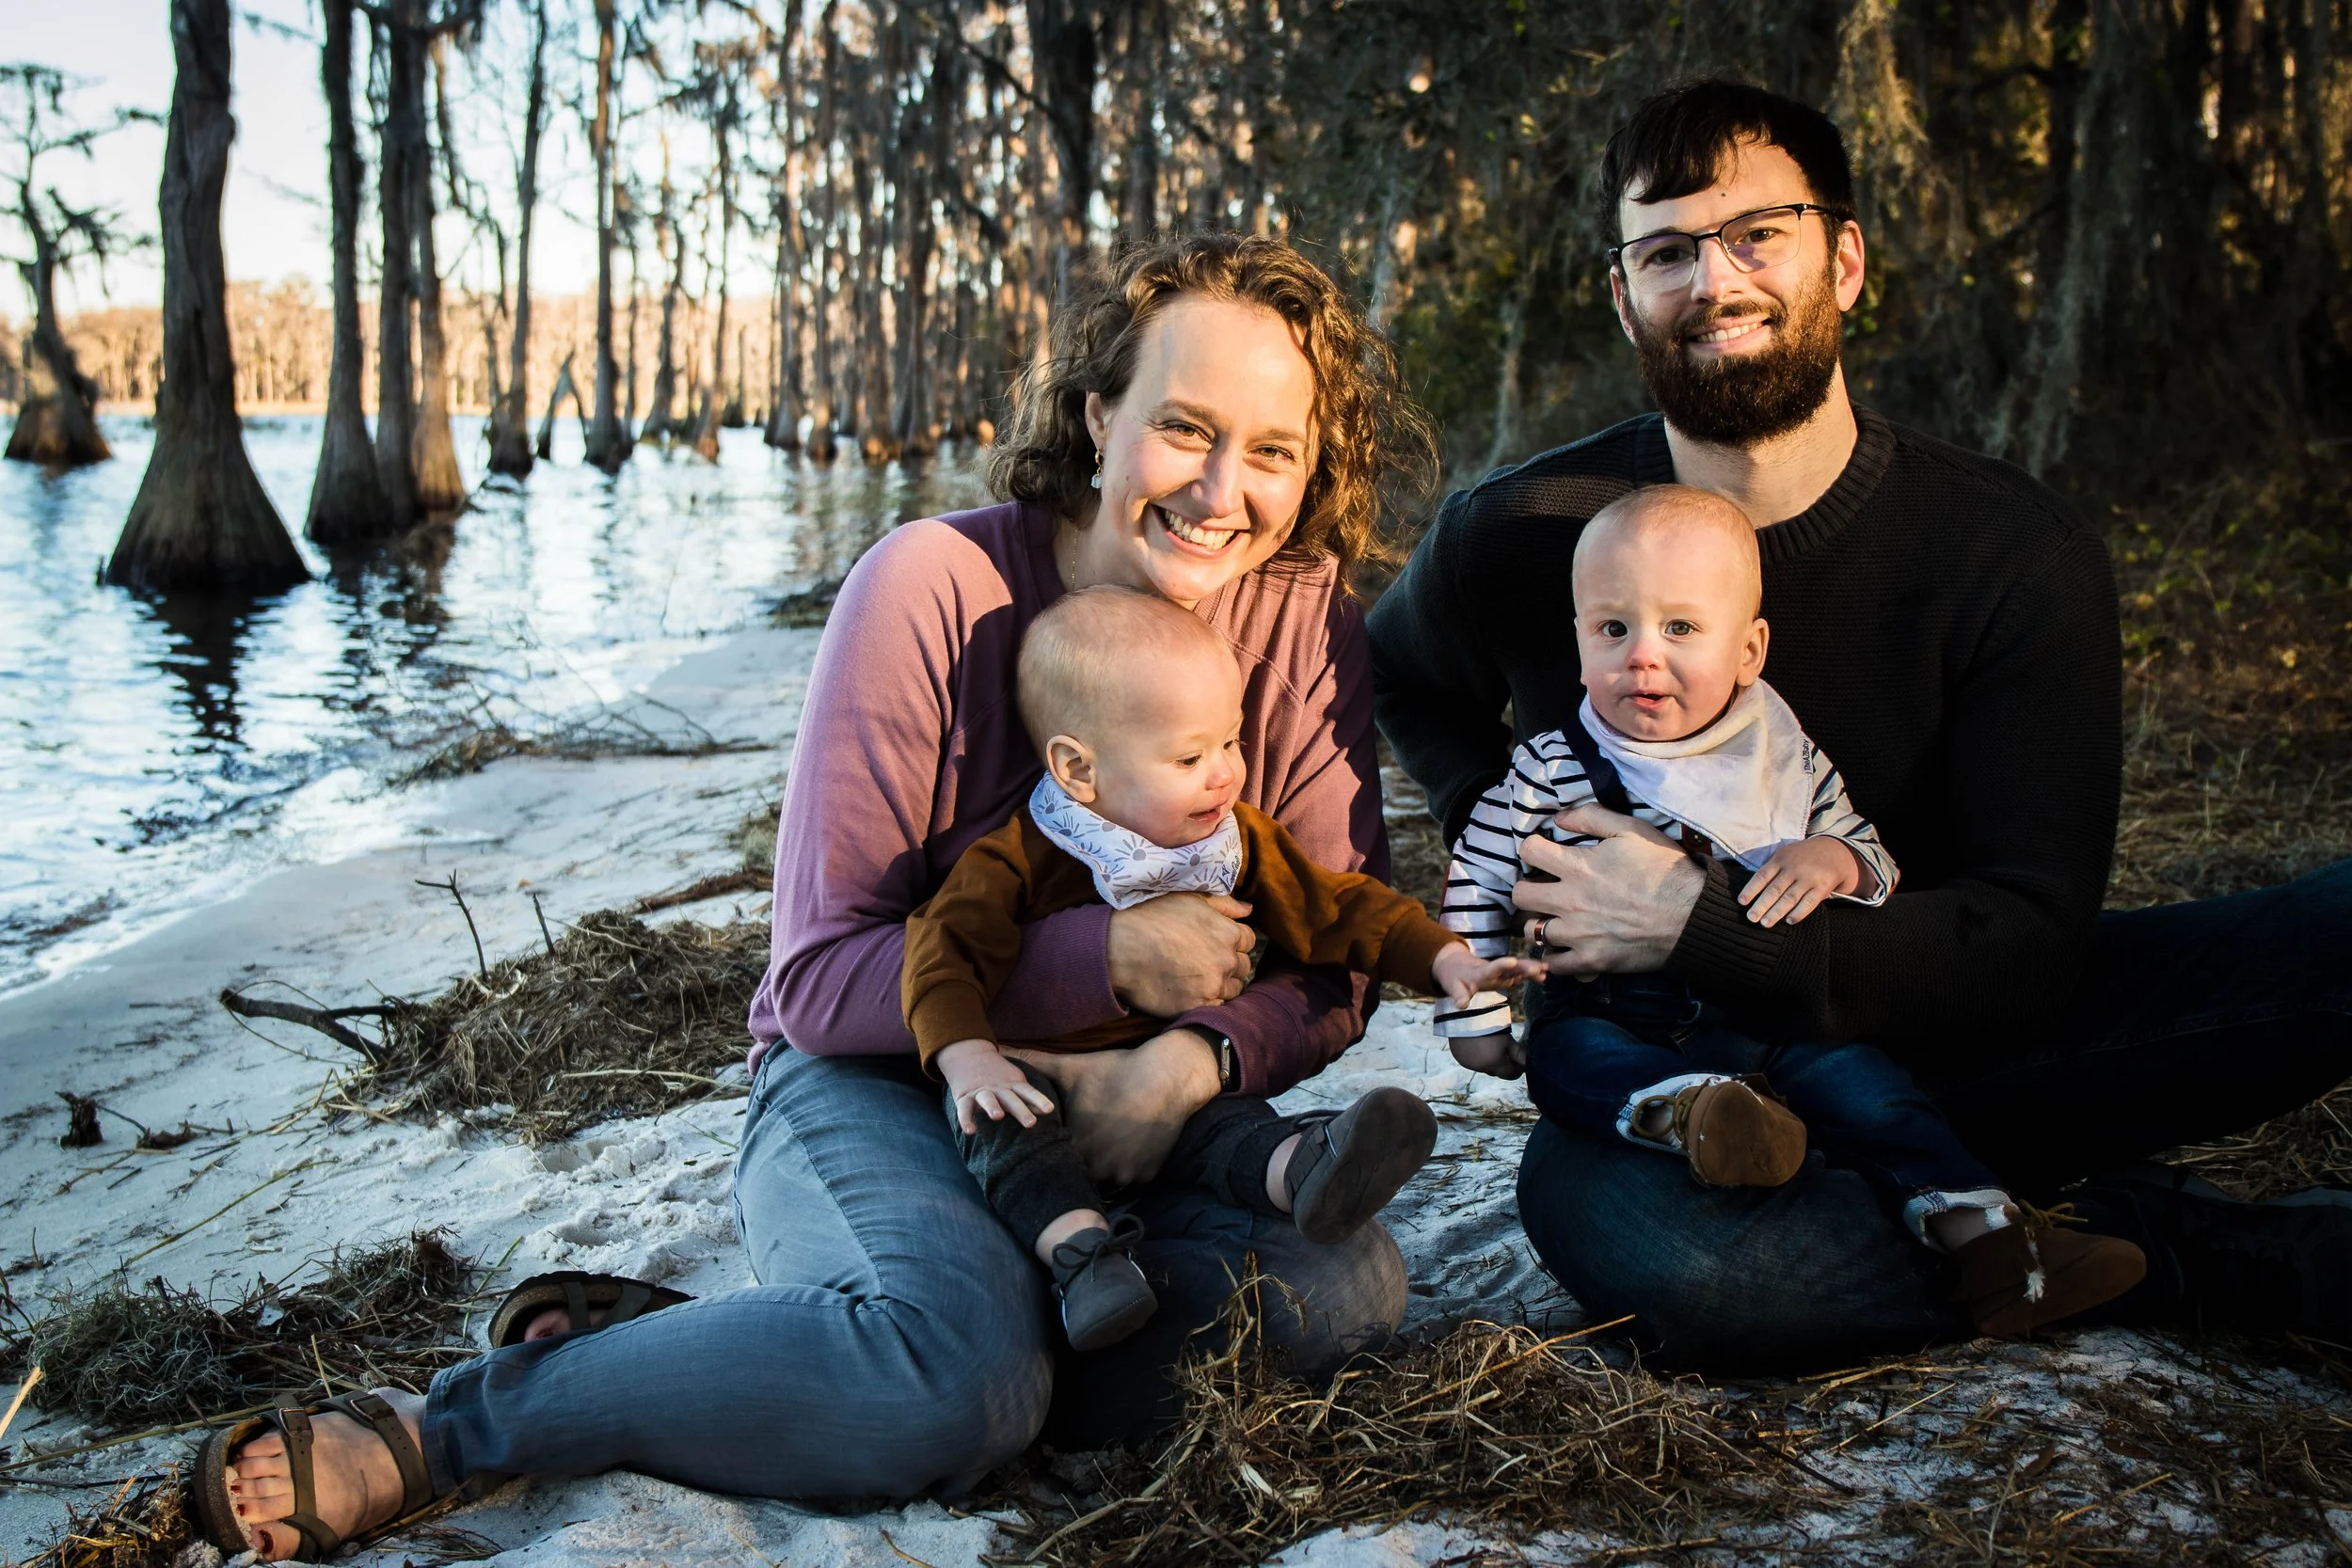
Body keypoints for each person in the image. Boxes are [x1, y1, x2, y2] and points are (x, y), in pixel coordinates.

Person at [203, 231, 1440, 1560]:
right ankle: (454, 1426)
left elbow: (1333, 953)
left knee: (1344, 1284)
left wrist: (1193, 1060)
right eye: (1183, 427)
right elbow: (813, 978)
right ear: (1098, 416)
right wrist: (1114, 965)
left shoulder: (1305, 619)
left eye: (1272, 449)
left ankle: (772, 1350)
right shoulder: (935, 589)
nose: (1219, 489)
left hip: (1151, 1112)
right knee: (963, 1380)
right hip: (874, 1087)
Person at [1369, 77, 2352, 1371]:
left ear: (1845, 258)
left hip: (1980, 1036)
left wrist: (1700, 919)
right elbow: (1395, 669)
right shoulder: (1523, 534)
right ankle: (2160, 1248)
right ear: (1623, 296)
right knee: (1698, 1266)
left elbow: (2028, 937)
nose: (1713, 282)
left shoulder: (2010, 551)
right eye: (1665, 251)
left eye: (1755, 234)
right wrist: (1532, 847)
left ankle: (1992, 1205)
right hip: (1676, 1090)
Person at [1435, 483, 2147, 1338]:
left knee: (1873, 1091)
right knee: (1565, 1063)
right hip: (1610, 1011)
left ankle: (1986, 1235)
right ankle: (1694, 1113)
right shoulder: (1551, 767)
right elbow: (1477, 872)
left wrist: (1831, 857)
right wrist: (1473, 1007)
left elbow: (1875, 858)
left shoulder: (1783, 756)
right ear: (1579, 640)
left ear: (1749, 649)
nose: (1642, 657)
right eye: (1612, 628)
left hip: (1769, 1009)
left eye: (1681, 628)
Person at [913, 585, 1541, 1351]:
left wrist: (1440, 954)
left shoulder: (1233, 841)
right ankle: (1085, 1261)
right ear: (1079, 769)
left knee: (1228, 1126)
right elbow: (940, 949)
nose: (1225, 774)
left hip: (1166, 1089)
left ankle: (1311, 1168)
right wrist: (968, 1056)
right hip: (1040, 1077)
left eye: (1231, 743)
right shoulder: (1018, 856)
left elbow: (1337, 908)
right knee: (1004, 1130)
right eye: (1189, 756)